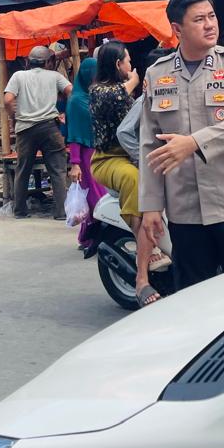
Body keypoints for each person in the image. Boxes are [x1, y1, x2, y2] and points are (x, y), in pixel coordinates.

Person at [139, 0, 224, 290]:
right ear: (177, 29)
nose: (210, 25)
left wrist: (193, 143)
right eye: (199, 19)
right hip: (186, 211)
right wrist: (151, 206)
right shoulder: (157, 74)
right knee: (194, 297)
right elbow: (150, 145)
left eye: (212, 16)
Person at [89, 42, 170, 306]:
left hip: (132, 155)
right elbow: (121, 122)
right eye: (127, 61)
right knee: (135, 179)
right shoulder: (100, 91)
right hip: (110, 158)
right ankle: (143, 272)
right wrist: (136, 81)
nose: (130, 65)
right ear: (117, 64)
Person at [4, 45, 72, 220]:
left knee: (22, 170)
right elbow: (71, 92)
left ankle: (20, 211)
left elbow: (8, 100)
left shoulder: (18, 76)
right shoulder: (55, 76)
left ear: (28, 61)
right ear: (48, 62)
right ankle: (61, 212)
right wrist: (68, 113)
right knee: (57, 170)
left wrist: (14, 117)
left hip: (25, 129)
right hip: (50, 127)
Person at [64, 58, 105, 248]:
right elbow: (74, 134)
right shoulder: (76, 101)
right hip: (86, 157)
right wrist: (75, 163)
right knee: (95, 198)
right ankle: (91, 237)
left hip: (100, 153)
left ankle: (90, 237)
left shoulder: (93, 97)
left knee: (99, 196)